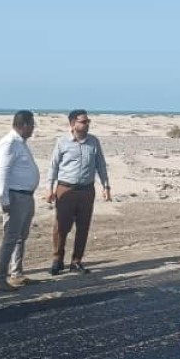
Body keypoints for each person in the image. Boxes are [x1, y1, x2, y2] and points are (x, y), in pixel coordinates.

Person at [47, 109, 111, 275]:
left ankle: (76, 261)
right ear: (72, 124)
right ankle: (57, 260)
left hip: (87, 190)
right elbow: (53, 166)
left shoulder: (94, 142)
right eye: (83, 121)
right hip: (65, 189)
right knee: (61, 226)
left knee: (83, 226)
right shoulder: (62, 142)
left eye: (88, 121)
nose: (87, 124)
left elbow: (101, 165)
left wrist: (106, 186)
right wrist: (49, 189)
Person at [0, 111, 40, 291]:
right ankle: (0, 278)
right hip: (15, 196)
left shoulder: (21, 143)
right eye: (32, 125)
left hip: (26, 196)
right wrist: (3, 199)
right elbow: (2, 172)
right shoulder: (10, 143)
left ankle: (17, 273)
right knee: (11, 238)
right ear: (25, 125)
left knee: (21, 236)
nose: (33, 129)